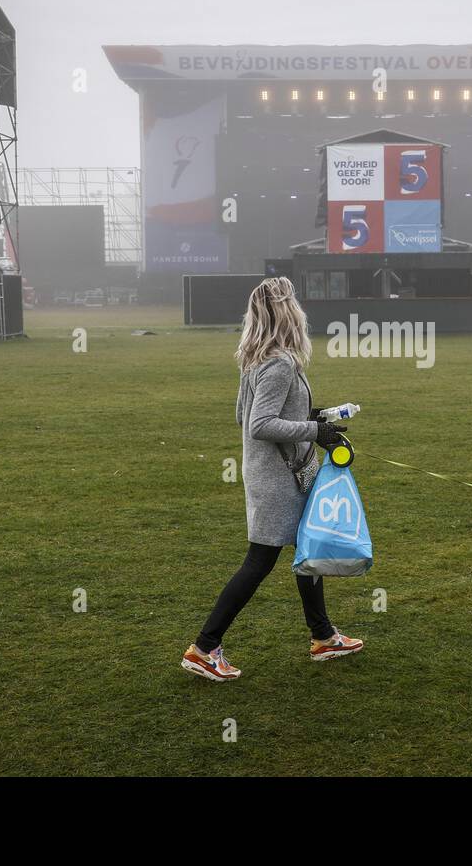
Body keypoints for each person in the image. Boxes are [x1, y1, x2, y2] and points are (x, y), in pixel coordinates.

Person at [181, 277, 364, 682]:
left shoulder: (258, 359)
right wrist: (315, 433)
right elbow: (259, 424)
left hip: (282, 474)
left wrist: (319, 418)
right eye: (295, 303)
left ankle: (323, 636)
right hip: (279, 478)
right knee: (259, 562)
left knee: (307, 548)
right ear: (287, 312)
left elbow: (254, 415)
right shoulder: (278, 363)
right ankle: (204, 647)